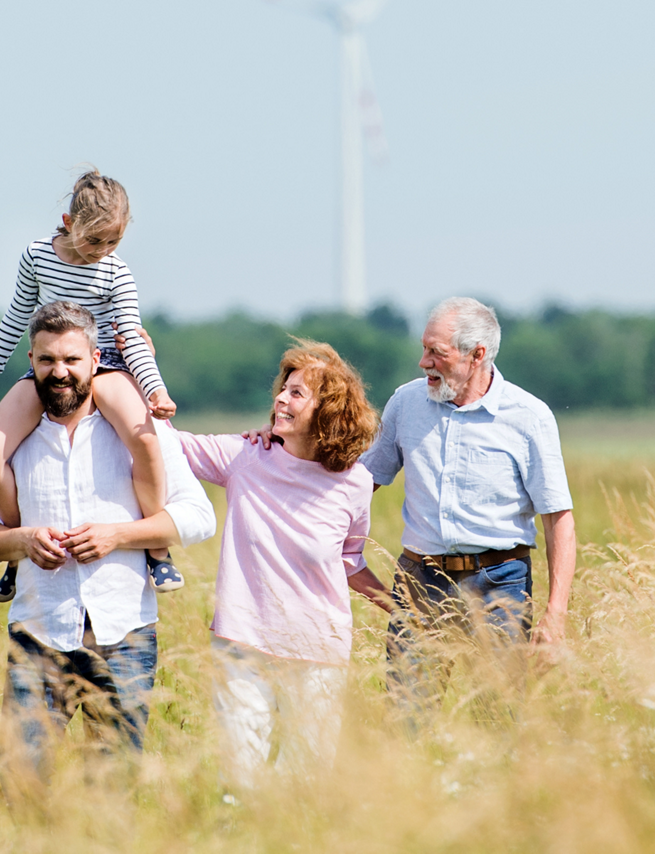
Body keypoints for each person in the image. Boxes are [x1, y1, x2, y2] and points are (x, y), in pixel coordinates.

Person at [0, 302, 215, 785]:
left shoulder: (140, 430)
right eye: (46, 360)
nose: (59, 372)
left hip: (124, 633)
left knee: (112, 789)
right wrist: (22, 540)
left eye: (71, 360)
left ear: (95, 360)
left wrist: (117, 535)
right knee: (21, 783)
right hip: (37, 634)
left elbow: (198, 517)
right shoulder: (17, 438)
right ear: (31, 362)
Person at [176, 340, 390, 783]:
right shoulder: (244, 456)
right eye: (283, 389)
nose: (280, 399)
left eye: (296, 394)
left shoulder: (354, 483)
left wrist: (400, 605)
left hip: (318, 651)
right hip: (243, 643)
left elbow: (349, 559)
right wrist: (135, 368)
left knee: (306, 780)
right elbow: (164, 443)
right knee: (241, 777)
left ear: (328, 412)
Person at [0, 170, 183, 603]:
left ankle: (157, 551)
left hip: (107, 362)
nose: (102, 251)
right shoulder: (36, 256)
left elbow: (131, 337)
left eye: (113, 242)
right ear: (68, 223)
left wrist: (156, 390)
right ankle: (19, 546)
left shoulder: (117, 272)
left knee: (144, 439)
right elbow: (16, 317)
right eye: (94, 241)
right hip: (52, 364)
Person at [360, 296, 577, 725]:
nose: (423, 362)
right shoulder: (405, 403)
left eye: (436, 352)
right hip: (420, 581)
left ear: (477, 355)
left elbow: (558, 519)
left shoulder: (529, 416)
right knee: (407, 720)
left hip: (500, 583)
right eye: (424, 348)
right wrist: (282, 456)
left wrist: (555, 615)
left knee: (496, 719)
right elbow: (362, 480)